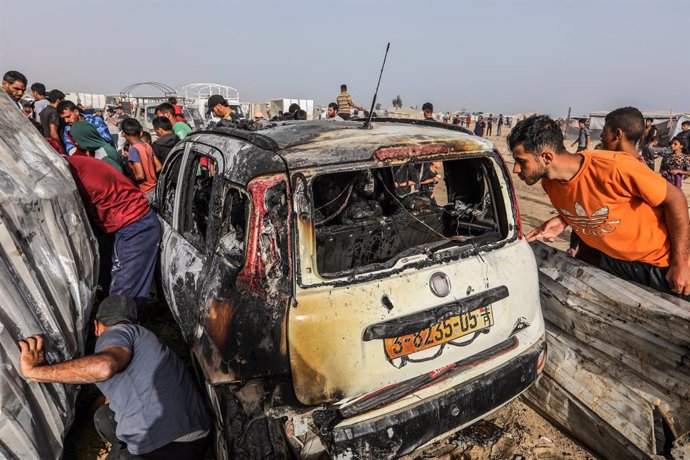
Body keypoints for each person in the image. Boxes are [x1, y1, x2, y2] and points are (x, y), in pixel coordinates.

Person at [509, 114, 690, 300]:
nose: (516, 169)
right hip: (611, 263)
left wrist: (681, 263)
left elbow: (675, 199)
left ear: (547, 157)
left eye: (522, 161)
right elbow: (591, 199)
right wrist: (565, 219)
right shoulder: (550, 183)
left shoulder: (614, 167)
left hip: (660, 264)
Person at [17, 294, 210, 459]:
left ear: (97, 326)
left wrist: (35, 372)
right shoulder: (147, 340)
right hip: (196, 439)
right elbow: (115, 396)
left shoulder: (116, 333)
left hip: (163, 445)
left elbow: (105, 366)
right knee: (104, 417)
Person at [66, 155, 161, 306]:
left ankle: (122, 325)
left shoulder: (66, 171)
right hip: (119, 224)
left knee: (123, 297)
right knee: (111, 283)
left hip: (135, 223)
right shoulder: (72, 165)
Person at [121, 118, 161, 201]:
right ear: (140, 132)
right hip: (156, 188)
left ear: (123, 133)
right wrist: (150, 173)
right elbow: (159, 167)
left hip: (145, 191)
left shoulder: (133, 149)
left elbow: (140, 175)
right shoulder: (147, 146)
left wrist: (128, 179)